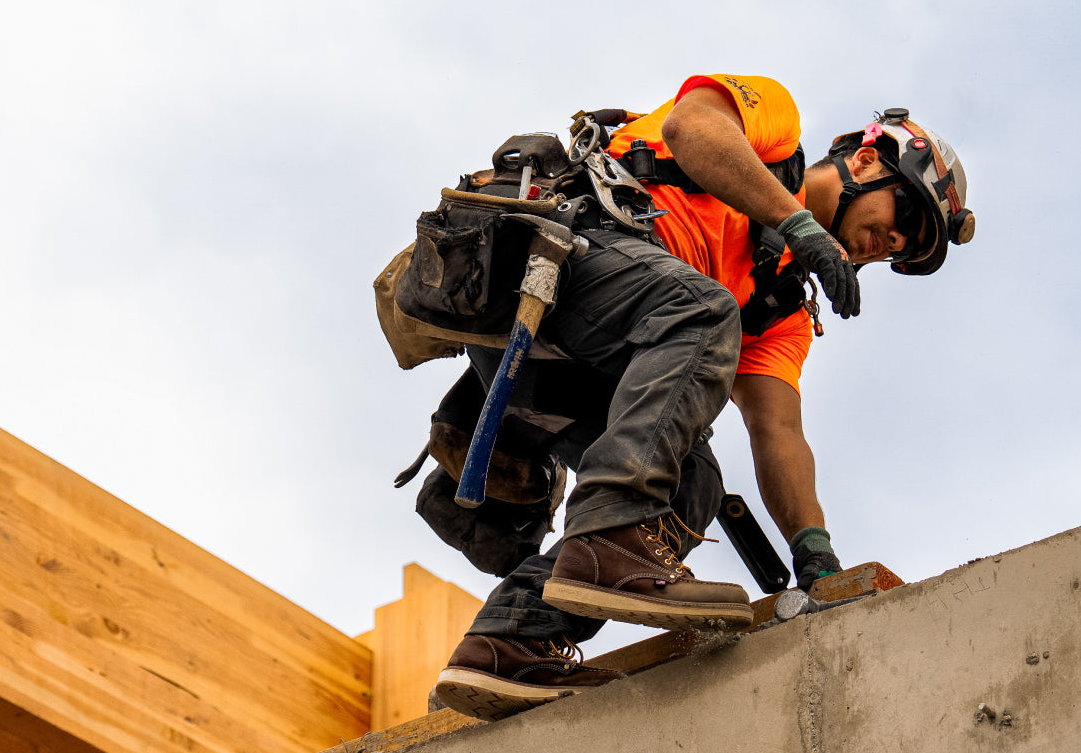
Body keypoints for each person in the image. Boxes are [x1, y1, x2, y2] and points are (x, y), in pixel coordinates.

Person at [410, 74, 976, 721]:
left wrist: (815, 557)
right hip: (550, 269)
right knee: (706, 314)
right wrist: (796, 221)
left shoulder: (780, 308)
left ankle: (507, 644)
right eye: (904, 217)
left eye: (907, 251)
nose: (894, 243)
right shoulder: (774, 126)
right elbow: (690, 130)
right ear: (866, 160)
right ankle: (611, 532)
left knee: (693, 487)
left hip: (575, 360)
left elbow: (777, 432)